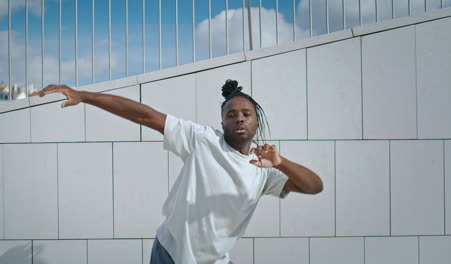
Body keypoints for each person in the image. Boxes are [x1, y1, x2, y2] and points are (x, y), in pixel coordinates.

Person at [39, 80, 323, 264]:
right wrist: (83, 96)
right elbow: (145, 115)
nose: (238, 118)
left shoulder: (264, 169)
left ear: (256, 123)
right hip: (170, 253)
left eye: (246, 114)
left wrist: (281, 162)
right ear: (222, 123)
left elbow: (314, 186)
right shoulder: (202, 140)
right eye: (231, 114)